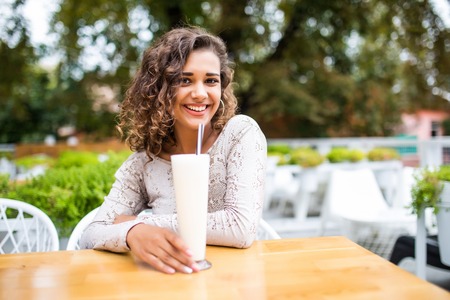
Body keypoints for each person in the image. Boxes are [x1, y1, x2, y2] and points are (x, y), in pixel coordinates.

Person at [80, 26, 267, 275]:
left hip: (236, 281)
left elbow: (240, 228)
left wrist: (140, 222)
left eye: (211, 80)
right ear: (159, 88)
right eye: (184, 80)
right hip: (169, 282)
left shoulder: (240, 133)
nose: (200, 94)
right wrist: (131, 234)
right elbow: (91, 233)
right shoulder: (145, 162)